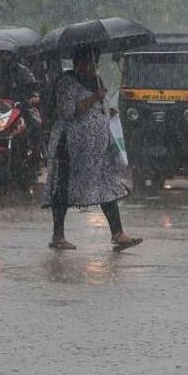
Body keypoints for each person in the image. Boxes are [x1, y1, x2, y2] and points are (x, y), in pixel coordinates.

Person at [43, 45, 142, 252]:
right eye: (88, 62)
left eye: (94, 62)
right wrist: (94, 99)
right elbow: (68, 112)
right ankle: (58, 236)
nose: (91, 66)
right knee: (63, 188)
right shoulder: (67, 83)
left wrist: (105, 108)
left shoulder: (96, 81)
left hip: (96, 152)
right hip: (69, 148)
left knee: (106, 186)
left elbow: (98, 105)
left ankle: (118, 233)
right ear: (78, 62)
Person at [0, 43, 41, 149]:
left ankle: (33, 151)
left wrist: (33, 97)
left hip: (19, 107)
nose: (4, 57)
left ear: (12, 55)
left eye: (7, 54)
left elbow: (32, 86)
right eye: (1, 54)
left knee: (35, 124)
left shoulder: (22, 71)